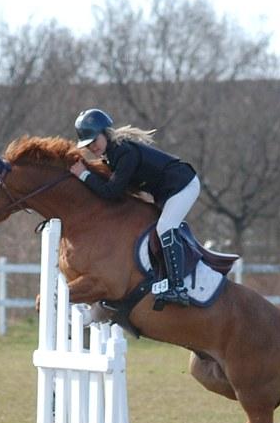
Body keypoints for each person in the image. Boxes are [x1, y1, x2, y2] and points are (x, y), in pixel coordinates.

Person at [69, 108, 200, 309]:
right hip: (168, 191)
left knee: (165, 227)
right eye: (88, 144)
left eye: (94, 141)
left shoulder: (124, 153)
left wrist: (84, 175)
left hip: (183, 184)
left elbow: (111, 192)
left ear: (105, 133)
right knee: (159, 228)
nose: (92, 147)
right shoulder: (111, 155)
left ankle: (178, 288)